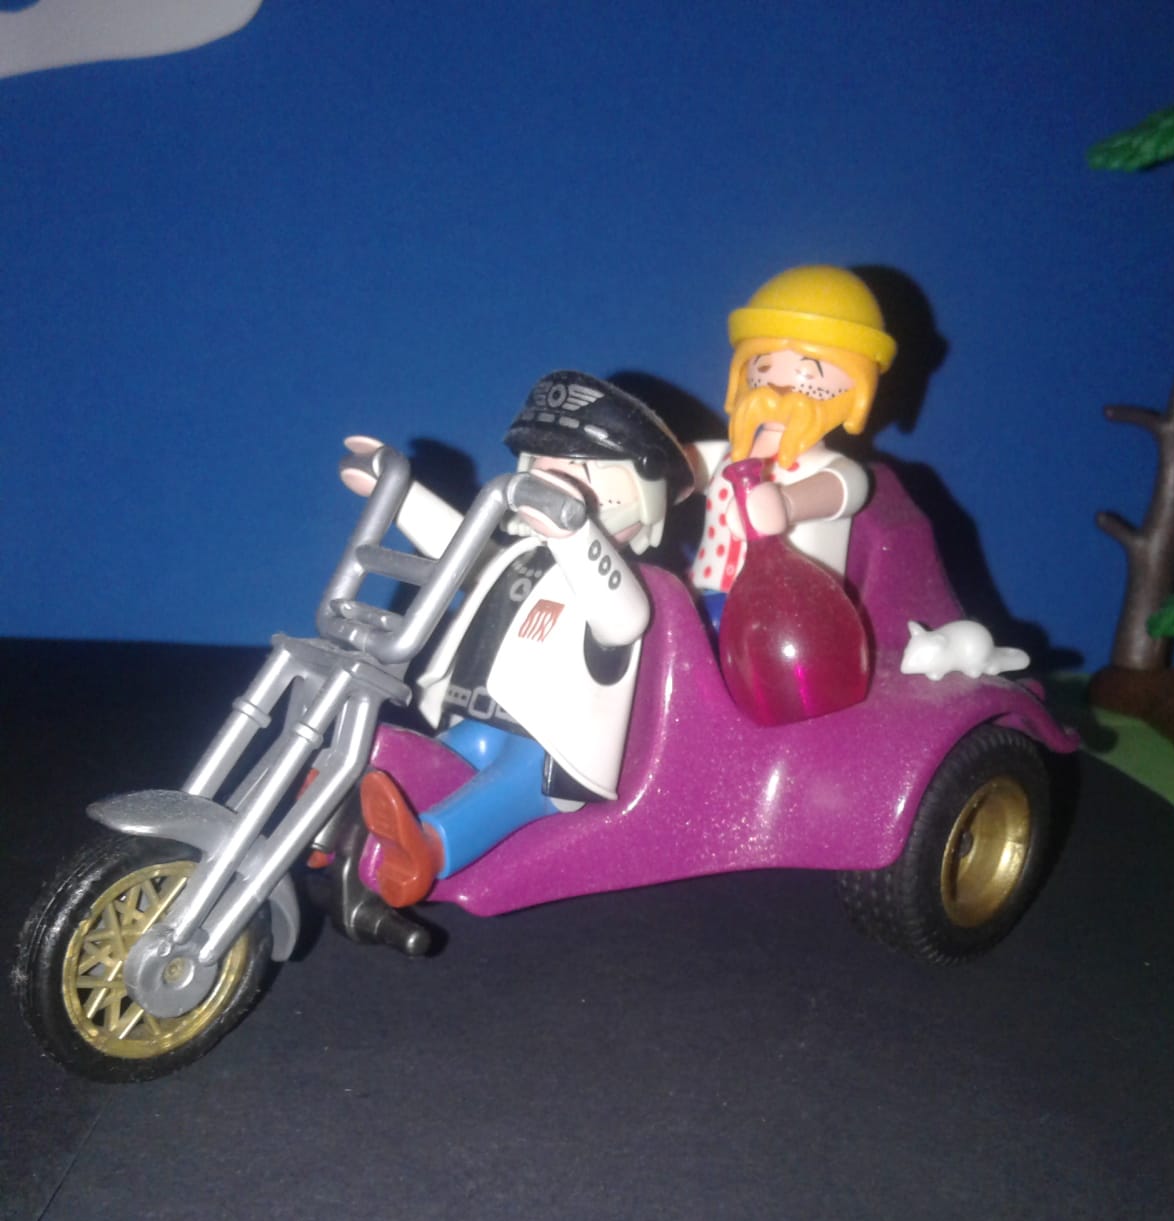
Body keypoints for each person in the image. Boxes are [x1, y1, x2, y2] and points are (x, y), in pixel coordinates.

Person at [341, 372, 692, 908]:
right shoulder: (520, 555)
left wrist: (573, 530)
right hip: (482, 716)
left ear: (640, 496)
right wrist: (398, 494)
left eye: (576, 475)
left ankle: (428, 850)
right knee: (436, 759)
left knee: (510, 783)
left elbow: (624, 621)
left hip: (553, 754)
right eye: (542, 470)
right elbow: (458, 552)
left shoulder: (616, 582)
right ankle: (341, 818)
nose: (548, 486)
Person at [688, 266, 896, 625]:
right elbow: (679, 466)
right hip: (705, 596)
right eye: (763, 367)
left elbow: (846, 489)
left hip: (790, 616)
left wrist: (786, 503)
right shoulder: (729, 455)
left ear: (858, 389)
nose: (779, 386)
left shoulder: (832, 469)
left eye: (810, 373)